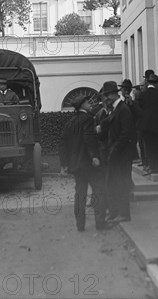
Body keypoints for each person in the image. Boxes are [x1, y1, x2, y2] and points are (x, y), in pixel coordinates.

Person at [59, 96, 109, 232]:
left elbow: (63, 144)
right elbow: (88, 139)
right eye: (88, 102)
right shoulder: (88, 119)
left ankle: (80, 225)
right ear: (82, 105)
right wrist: (94, 156)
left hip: (76, 165)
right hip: (89, 164)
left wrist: (64, 164)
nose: (90, 104)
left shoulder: (70, 122)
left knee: (80, 194)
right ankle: (100, 223)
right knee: (99, 191)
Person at [98, 81, 138, 223]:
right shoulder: (117, 109)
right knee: (114, 184)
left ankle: (124, 214)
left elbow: (126, 134)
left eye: (108, 95)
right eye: (105, 95)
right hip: (116, 154)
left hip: (122, 155)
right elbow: (108, 123)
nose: (106, 98)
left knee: (121, 184)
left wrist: (114, 150)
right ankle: (115, 212)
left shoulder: (123, 109)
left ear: (116, 93)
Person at [133, 74, 158, 174]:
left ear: (148, 83)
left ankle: (152, 165)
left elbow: (138, 109)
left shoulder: (143, 94)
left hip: (146, 125)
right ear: (157, 83)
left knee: (149, 146)